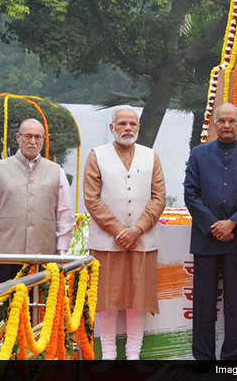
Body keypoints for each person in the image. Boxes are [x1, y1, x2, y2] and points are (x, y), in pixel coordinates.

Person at [84, 105, 166, 360]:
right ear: (112, 127)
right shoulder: (96, 155)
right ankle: (108, 354)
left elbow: (159, 197)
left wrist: (137, 229)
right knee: (107, 301)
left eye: (132, 124)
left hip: (142, 241)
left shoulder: (151, 156)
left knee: (137, 301)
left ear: (139, 128)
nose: (127, 128)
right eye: (122, 124)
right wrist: (120, 231)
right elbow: (91, 198)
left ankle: (133, 355)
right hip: (107, 242)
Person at [184, 103, 237, 362]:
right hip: (205, 239)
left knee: (234, 304)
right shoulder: (199, 154)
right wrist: (213, 225)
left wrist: (233, 223)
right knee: (203, 304)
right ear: (214, 124)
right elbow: (191, 194)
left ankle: (231, 360)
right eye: (222, 121)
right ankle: (203, 360)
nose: (227, 125)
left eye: (232, 120)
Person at [0, 118, 73, 283]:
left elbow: (65, 215)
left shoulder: (57, 172)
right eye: (28, 136)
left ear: (43, 140)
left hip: (44, 259)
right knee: (7, 305)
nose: (33, 141)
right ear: (18, 138)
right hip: (7, 257)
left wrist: (62, 251)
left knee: (43, 307)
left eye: (38, 137)